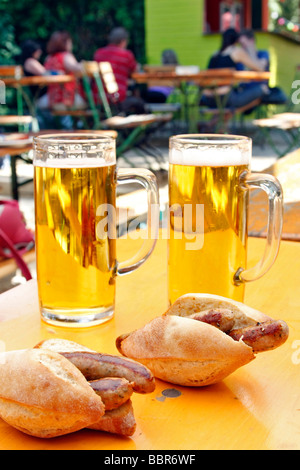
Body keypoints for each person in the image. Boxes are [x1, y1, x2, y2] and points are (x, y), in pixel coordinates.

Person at [201, 28, 270, 111]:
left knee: (237, 92)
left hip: (208, 98)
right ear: (236, 41)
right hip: (225, 99)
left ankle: (214, 123)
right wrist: (250, 48)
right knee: (262, 89)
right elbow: (260, 68)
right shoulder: (236, 52)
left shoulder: (214, 54)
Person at [94, 27, 145, 114]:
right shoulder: (126, 55)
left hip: (98, 98)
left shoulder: (98, 53)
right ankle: (141, 126)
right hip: (117, 99)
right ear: (123, 41)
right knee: (140, 103)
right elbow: (135, 70)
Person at [43, 31, 86, 111]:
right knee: (91, 100)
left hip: (52, 101)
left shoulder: (49, 58)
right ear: (65, 43)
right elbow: (78, 69)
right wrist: (84, 65)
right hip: (68, 101)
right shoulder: (66, 57)